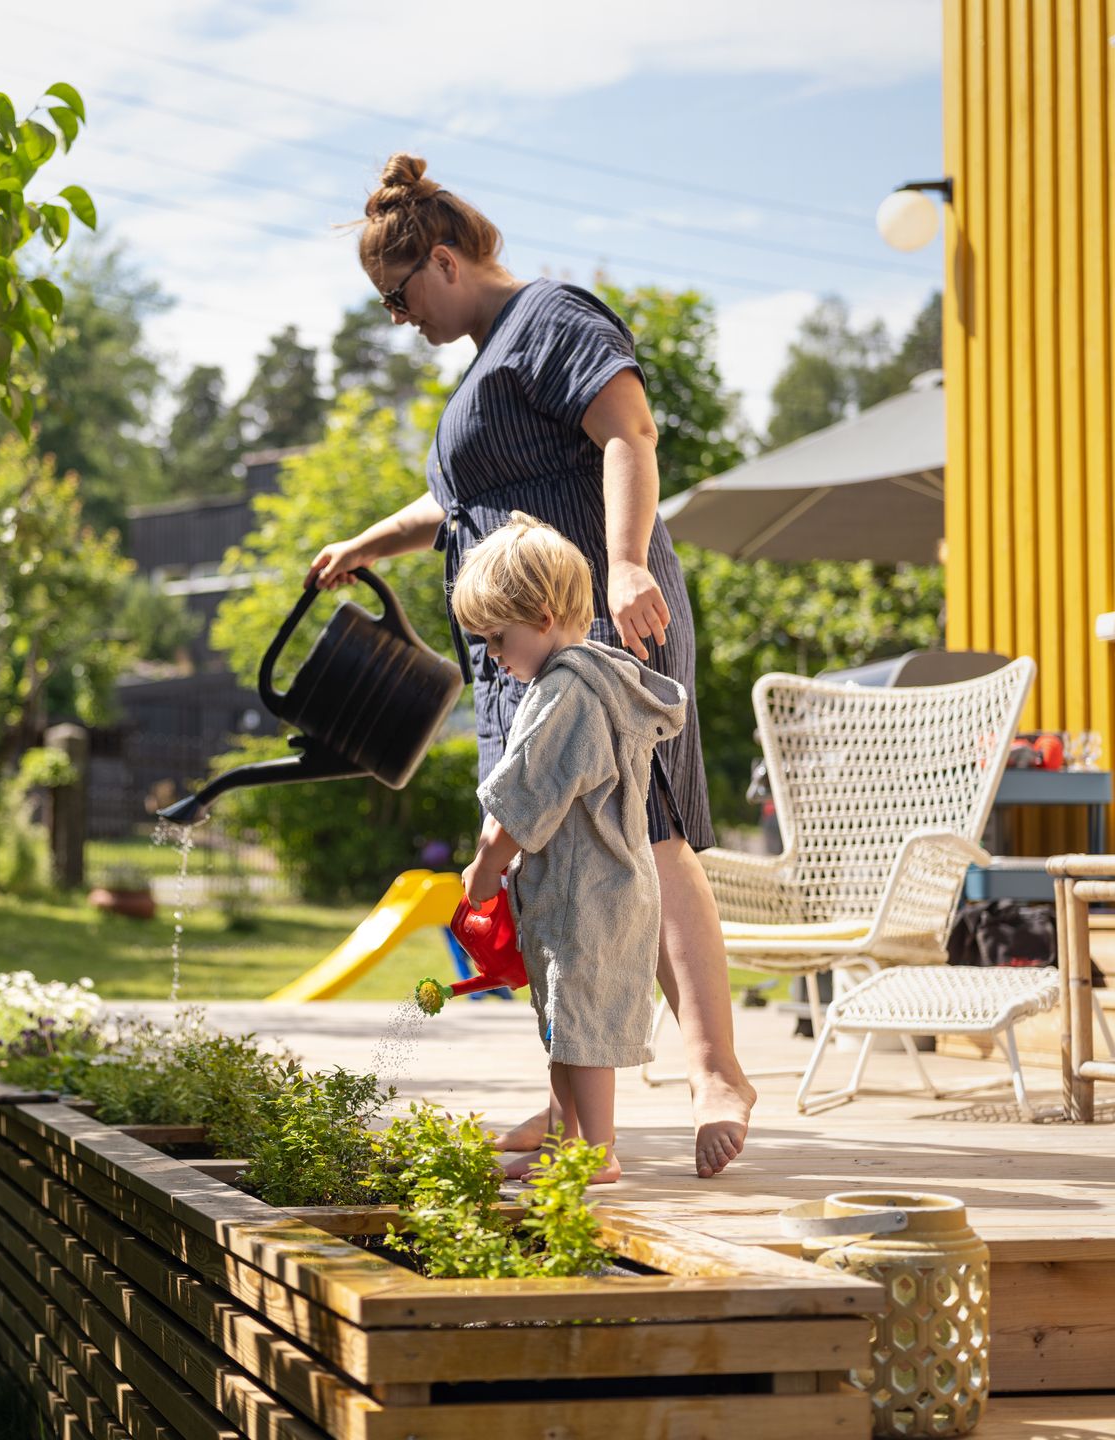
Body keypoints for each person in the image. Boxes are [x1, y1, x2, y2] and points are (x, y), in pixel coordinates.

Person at [310, 153, 755, 1178]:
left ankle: (714, 1067)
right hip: (525, 658)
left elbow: (628, 430)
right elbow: (456, 508)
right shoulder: (484, 367)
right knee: (557, 864)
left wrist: (630, 563)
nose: (400, 319)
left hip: (599, 631)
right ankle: (573, 1110)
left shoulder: (550, 319)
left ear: (447, 259)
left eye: (399, 296)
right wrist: (365, 546)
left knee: (651, 832)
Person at [454, 514, 686, 1183]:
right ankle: (565, 1138)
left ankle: (597, 1152)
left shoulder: (564, 693)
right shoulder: (592, 680)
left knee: (580, 1024)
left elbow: (523, 796)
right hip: (596, 883)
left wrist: (486, 868)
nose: (494, 655)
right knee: (565, 1018)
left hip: (592, 889)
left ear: (545, 616)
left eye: (499, 638)